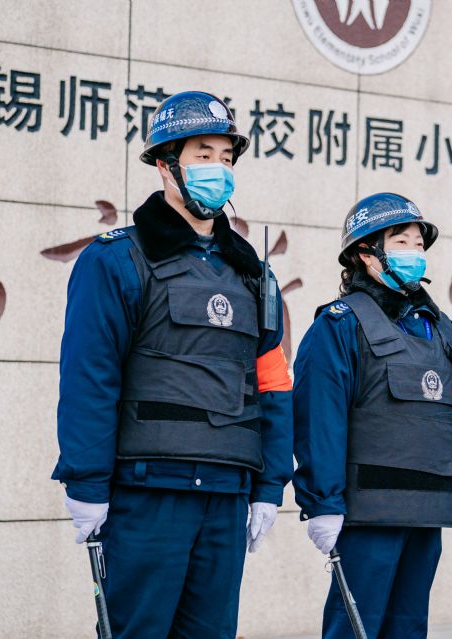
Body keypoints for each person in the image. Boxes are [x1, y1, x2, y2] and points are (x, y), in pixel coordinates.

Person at [51, 91, 293, 638]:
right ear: (166, 165)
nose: (218, 169)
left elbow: (273, 385)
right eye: (203, 155)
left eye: (226, 157)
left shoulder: (253, 275)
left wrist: (270, 484)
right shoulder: (116, 259)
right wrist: (87, 482)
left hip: (226, 492)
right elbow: (90, 378)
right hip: (148, 492)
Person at [292, 192, 452, 638]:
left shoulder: (443, 331)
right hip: (369, 515)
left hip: (429, 509)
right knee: (356, 629)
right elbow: (319, 422)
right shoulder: (339, 325)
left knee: (408, 628)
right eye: (402, 243)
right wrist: (323, 503)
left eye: (419, 244)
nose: (415, 253)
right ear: (366, 254)